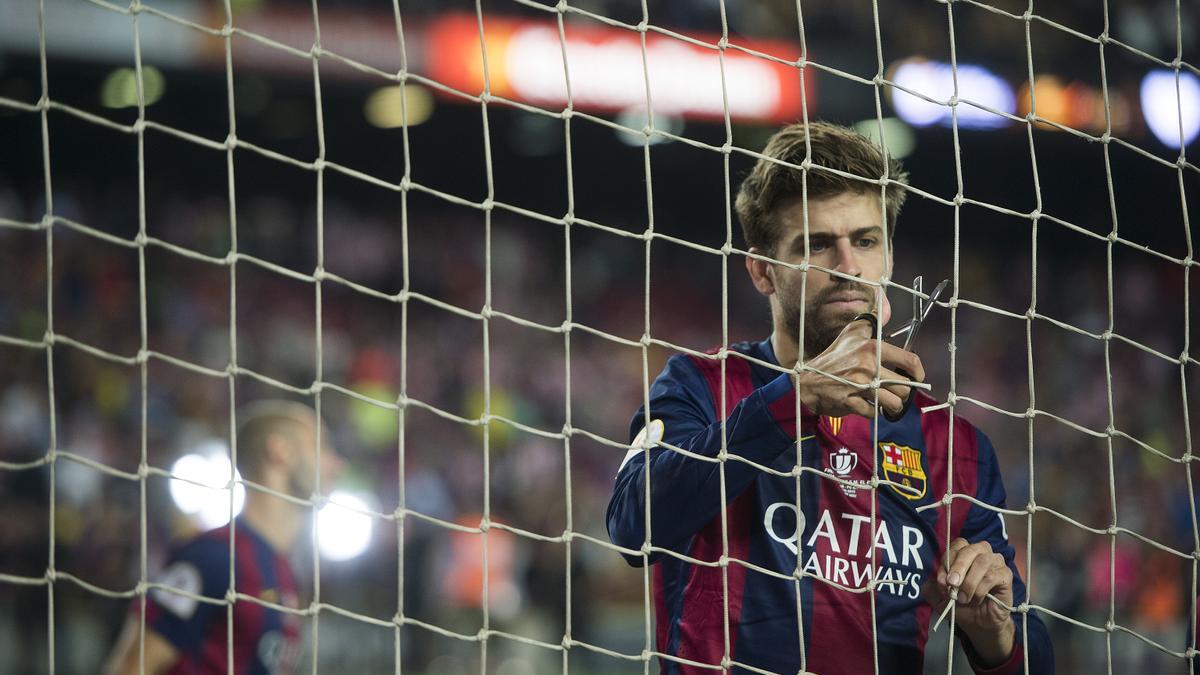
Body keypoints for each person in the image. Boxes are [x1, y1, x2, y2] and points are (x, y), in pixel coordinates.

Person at [606, 121, 1053, 674]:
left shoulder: (955, 445)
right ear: (763, 271)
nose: (847, 266)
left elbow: (1030, 655)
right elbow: (631, 526)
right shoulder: (699, 385)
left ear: (888, 257)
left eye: (866, 241)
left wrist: (995, 632)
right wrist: (794, 398)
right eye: (817, 244)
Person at [104, 400, 343, 675]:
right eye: (323, 446)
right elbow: (129, 668)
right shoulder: (213, 557)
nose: (337, 463)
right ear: (280, 451)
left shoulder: (285, 572)